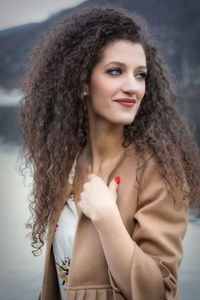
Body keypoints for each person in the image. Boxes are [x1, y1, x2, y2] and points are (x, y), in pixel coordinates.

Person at [18, 4, 200, 300]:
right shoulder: (64, 164)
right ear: (82, 83)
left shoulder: (159, 168)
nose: (133, 87)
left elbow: (159, 292)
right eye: (116, 71)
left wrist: (106, 218)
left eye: (140, 75)